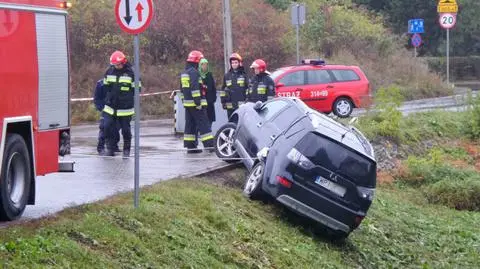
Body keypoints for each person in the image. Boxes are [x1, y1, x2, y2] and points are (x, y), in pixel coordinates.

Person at [102, 50, 136, 158]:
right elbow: (105, 86)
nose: (116, 66)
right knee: (107, 127)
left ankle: (126, 150)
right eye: (114, 65)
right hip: (110, 107)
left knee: (126, 130)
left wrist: (126, 97)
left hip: (125, 108)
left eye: (118, 64)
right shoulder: (109, 71)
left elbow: (137, 89)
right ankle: (110, 149)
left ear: (123, 62)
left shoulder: (131, 73)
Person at [180, 50, 214, 153]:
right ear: (197, 61)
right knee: (204, 123)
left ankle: (191, 146)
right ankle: (209, 145)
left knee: (190, 124)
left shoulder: (184, 72)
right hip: (196, 104)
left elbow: (182, 89)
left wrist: (184, 100)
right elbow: (195, 88)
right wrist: (198, 102)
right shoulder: (194, 72)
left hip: (187, 103)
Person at [93, 79, 121, 155]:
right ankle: (101, 147)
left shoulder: (120, 82)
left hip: (119, 110)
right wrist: (101, 108)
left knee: (116, 127)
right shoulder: (101, 83)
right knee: (104, 127)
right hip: (106, 109)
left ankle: (113, 146)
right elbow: (97, 98)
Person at [221, 53, 248, 119]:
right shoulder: (227, 75)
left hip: (241, 105)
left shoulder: (244, 75)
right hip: (230, 105)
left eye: (236, 62)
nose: (234, 64)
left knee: (241, 123)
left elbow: (248, 88)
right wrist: (223, 102)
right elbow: (223, 90)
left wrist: (247, 100)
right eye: (232, 63)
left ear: (239, 63)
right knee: (231, 123)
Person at [199, 58, 217, 124]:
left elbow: (212, 87)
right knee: (202, 119)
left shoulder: (209, 75)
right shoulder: (198, 75)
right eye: (203, 65)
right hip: (201, 100)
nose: (204, 66)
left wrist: (214, 98)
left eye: (206, 65)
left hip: (209, 101)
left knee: (210, 118)